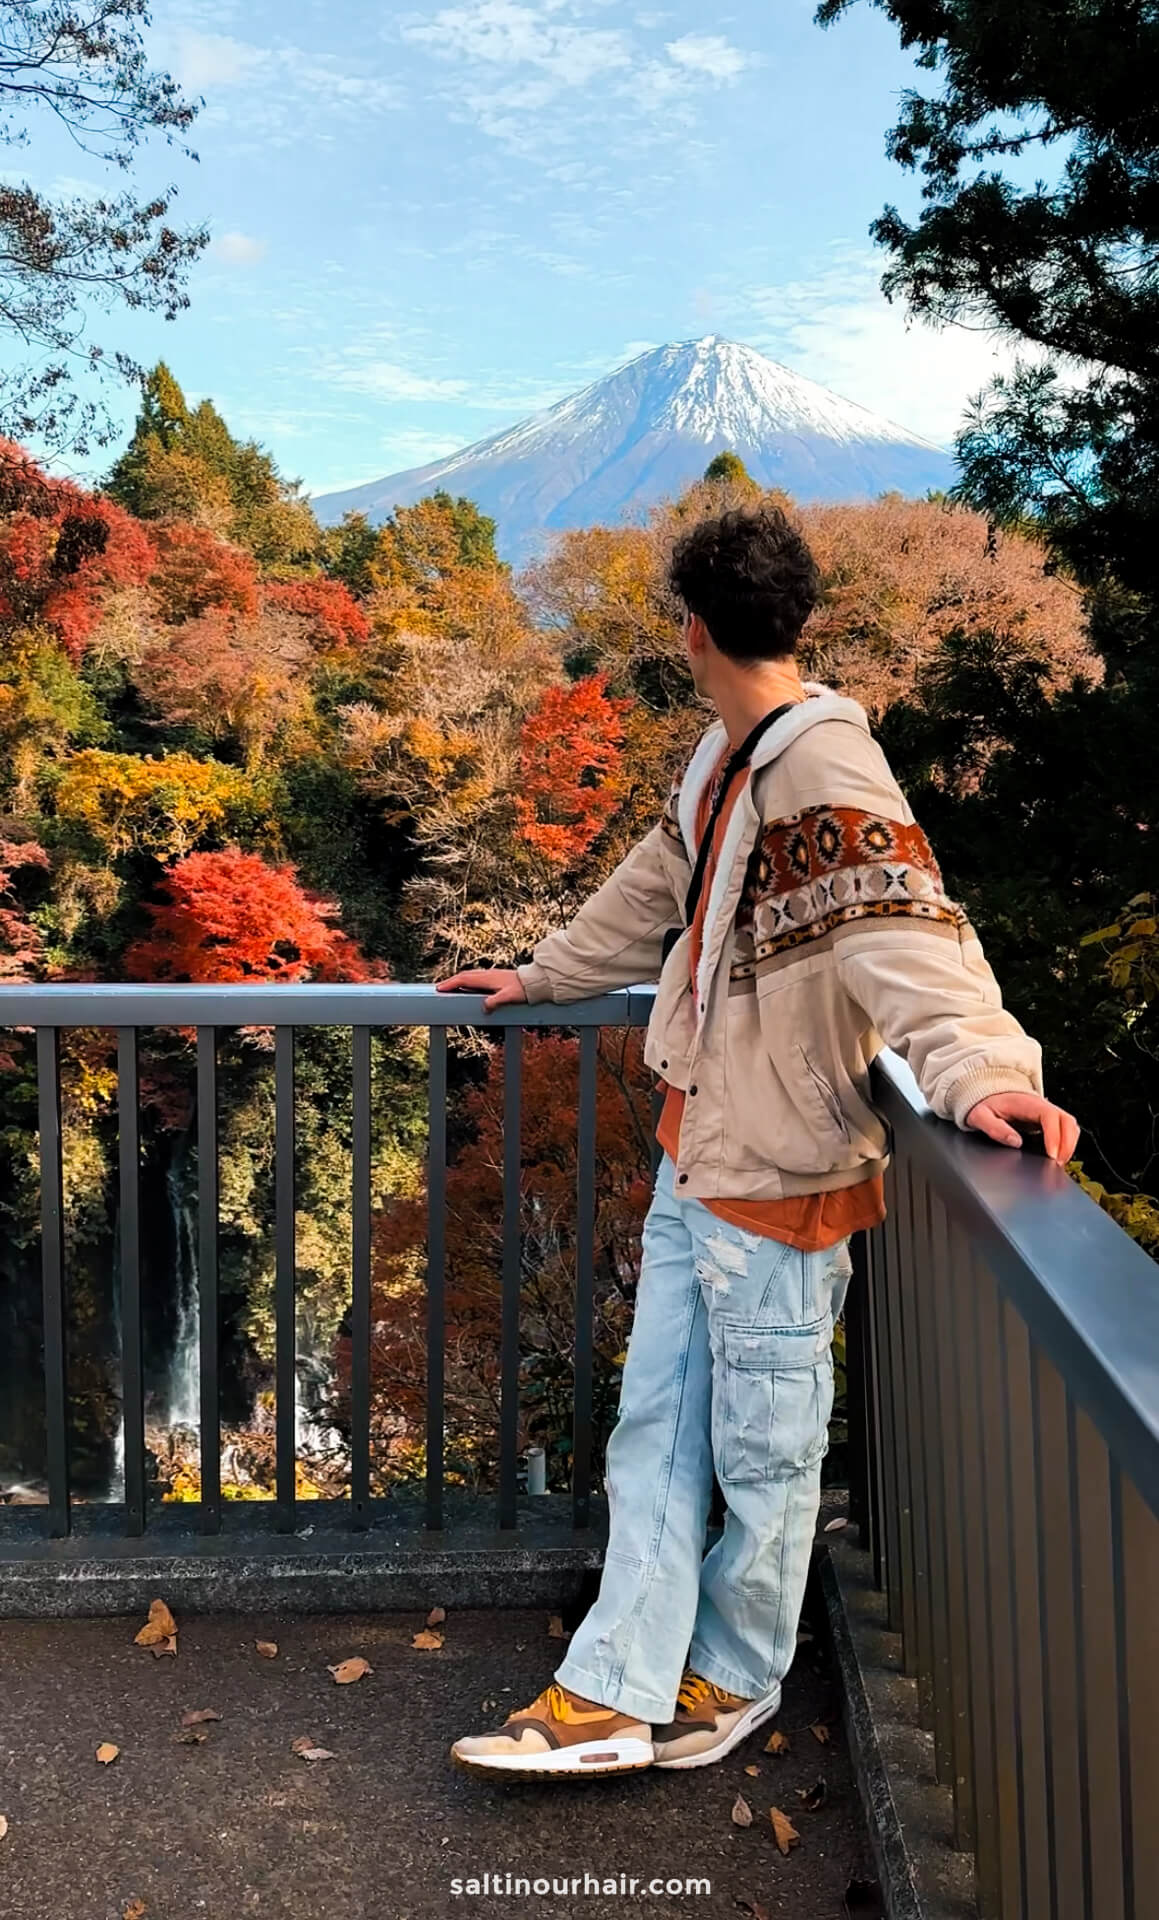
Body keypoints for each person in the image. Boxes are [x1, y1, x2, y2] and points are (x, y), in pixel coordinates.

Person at [438, 502, 1079, 1780]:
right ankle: (618, 1692)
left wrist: (987, 1074)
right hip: (707, 1147)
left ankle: (727, 1680)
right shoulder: (727, 755)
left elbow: (917, 944)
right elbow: (652, 883)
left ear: (691, 626)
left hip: (784, 1170)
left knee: (765, 1449)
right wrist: (545, 975)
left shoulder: (825, 767)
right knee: (658, 1429)